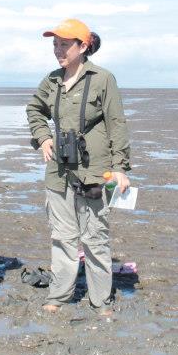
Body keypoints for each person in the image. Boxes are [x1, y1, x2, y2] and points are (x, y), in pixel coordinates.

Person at [26, 18, 131, 316]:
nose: (58, 50)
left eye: (65, 44)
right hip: (59, 173)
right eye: (55, 44)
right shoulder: (52, 80)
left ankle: (101, 301)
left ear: (83, 46)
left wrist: (120, 167)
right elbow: (34, 108)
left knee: (95, 238)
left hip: (96, 173)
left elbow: (117, 123)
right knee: (62, 237)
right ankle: (59, 295)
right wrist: (43, 137)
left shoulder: (103, 79)